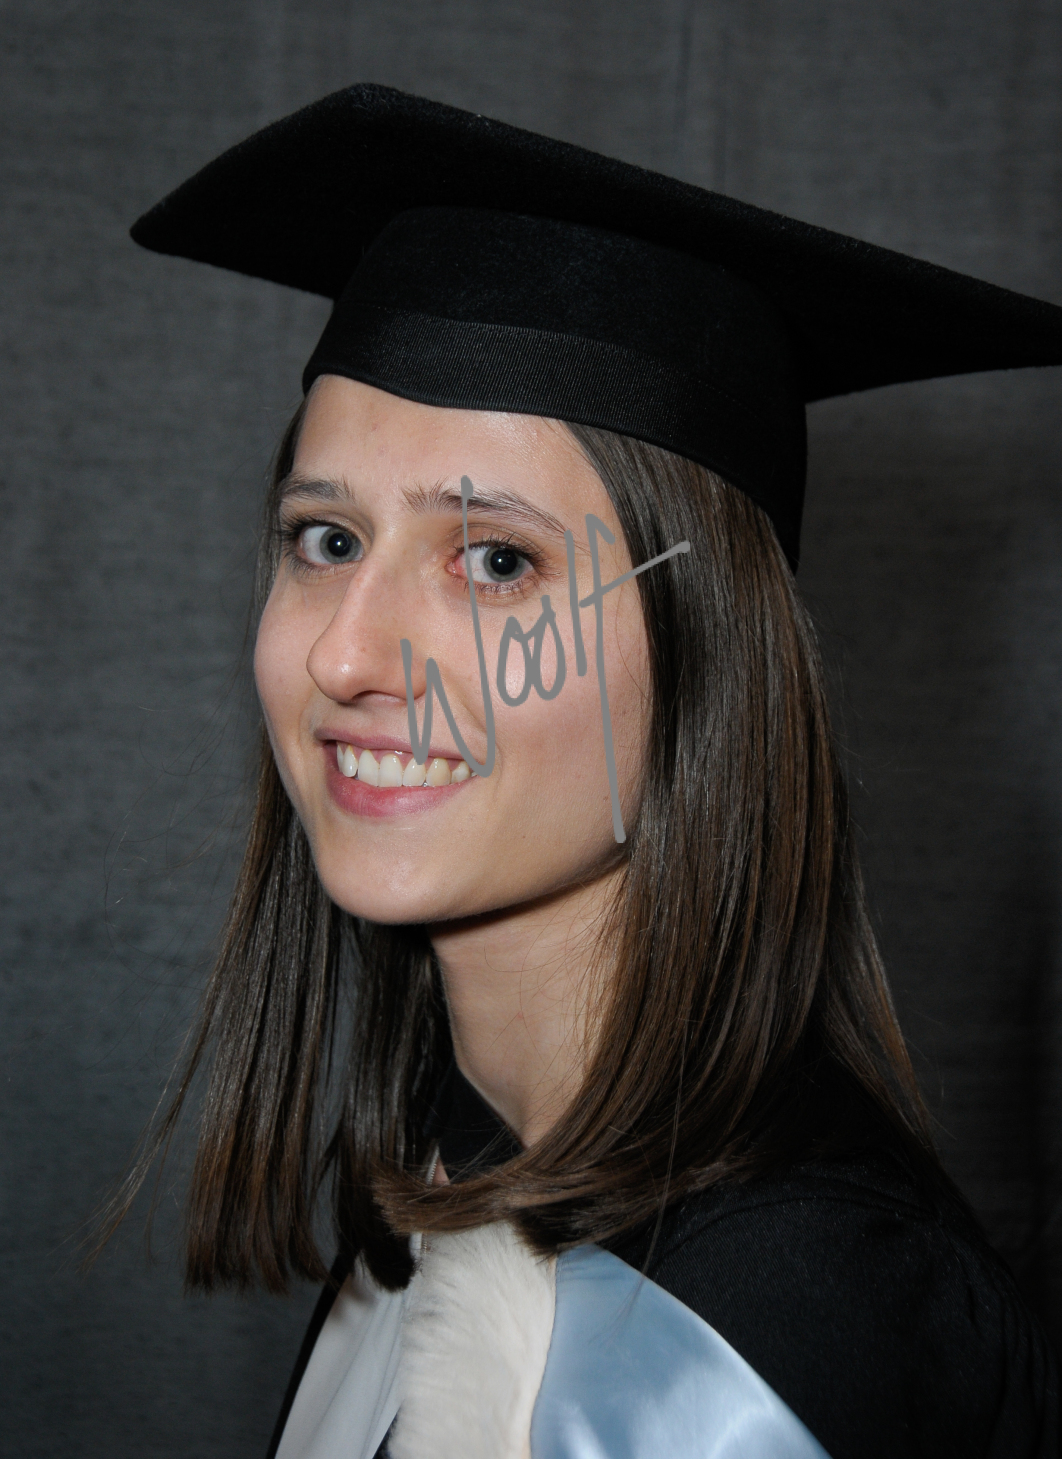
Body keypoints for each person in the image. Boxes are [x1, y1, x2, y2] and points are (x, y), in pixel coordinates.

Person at [116, 84, 1062, 1458]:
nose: (343, 655)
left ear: (706, 660)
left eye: (497, 561)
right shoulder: (450, 1169)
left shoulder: (772, 1333)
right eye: (326, 540)